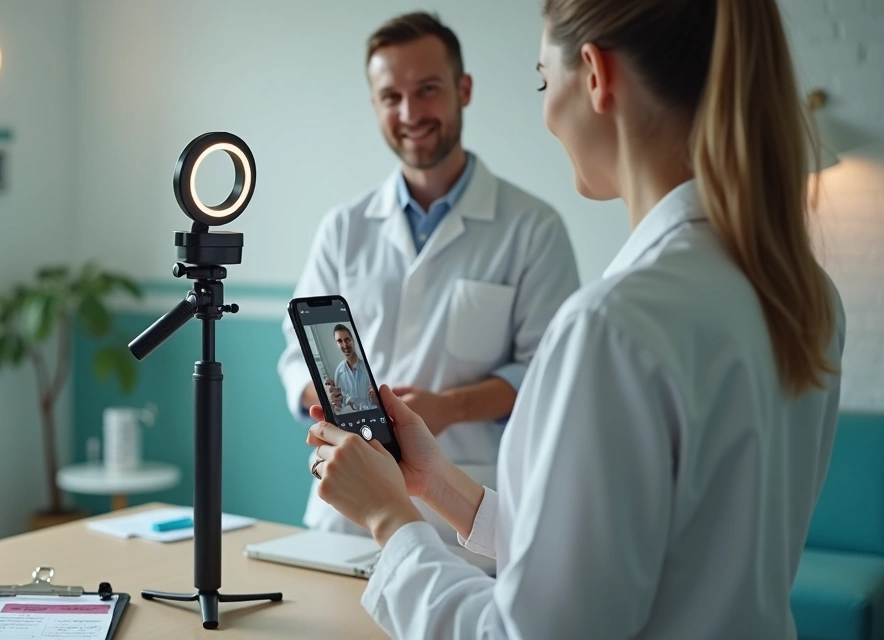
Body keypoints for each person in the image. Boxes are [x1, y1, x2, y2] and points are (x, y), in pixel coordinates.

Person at [307, 0, 846, 636]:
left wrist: (390, 520)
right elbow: (610, 561)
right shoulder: (805, 294)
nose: (546, 113)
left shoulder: (610, 326)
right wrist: (436, 484)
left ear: (595, 74)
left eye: (543, 81)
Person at [277, 11, 581, 544]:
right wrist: (337, 403)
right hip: (344, 515)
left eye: (428, 89)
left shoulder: (533, 227)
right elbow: (295, 357)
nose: (410, 112)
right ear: (375, 106)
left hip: (470, 518)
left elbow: (547, 373)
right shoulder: (343, 228)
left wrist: (450, 408)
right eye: (391, 97)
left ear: (464, 89)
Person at [325, 325, 377, 413]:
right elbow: (341, 403)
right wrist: (333, 400)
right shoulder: (339, 372)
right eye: (340, 341)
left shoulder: (369, 366)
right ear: (337, 344)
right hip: (352, 417)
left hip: (373, 414)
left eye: (347, 339)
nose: (345, 345)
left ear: (353, 340)